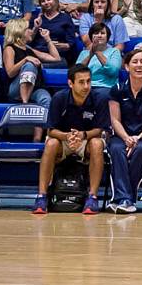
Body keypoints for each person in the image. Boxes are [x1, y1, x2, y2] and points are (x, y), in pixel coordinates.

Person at [31, 64, 107, 215]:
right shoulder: (59, 98)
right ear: (70, 83)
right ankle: (41, 197)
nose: (86, 86)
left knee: (97, 144)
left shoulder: (100, 98)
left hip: (87, 139)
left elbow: (100, 129)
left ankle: (92, 197)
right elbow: (51, 130)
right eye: (81, 82)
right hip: (63, 138)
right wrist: (68, 136)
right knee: (51, 143)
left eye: (88, 81)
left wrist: (82, 135)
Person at [105, 49, 142, 214]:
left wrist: (137, 138)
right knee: (116, 149)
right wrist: (126, 138)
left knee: (141, 150)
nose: (139, 65)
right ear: (126, 66)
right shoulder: (117, 89)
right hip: (122, 135)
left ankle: (123, 198)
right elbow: (115, 120)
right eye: (135, 62)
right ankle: (126, 199)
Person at [3, 17, 57, 110]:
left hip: (35, 88)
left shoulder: (28, 49)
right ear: (19, 32)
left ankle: (44, 124)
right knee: (29, 65)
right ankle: (25, 103)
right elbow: (10, 72)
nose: (31, 31)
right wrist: (25, 60)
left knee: (46, 98)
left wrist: (48, 39)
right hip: (16, 89)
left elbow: (55, 58)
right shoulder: (9, 49)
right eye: (27, 29)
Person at [31, 0, 77, 66]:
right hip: (38, 54)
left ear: (55, 0)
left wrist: (58, 45)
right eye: (43, 1)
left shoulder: (65, 18)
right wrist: (35, 28)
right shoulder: (36, 18)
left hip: (58, 56)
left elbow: (70, 44)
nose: (46, 2)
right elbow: (28, 40)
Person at [77, 22, 123, 100]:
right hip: (85, 87)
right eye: (96, 33)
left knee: (100, 96)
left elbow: (113, 71)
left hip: (106, 87)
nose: (99, 35)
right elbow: (76, 73)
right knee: (61, 95)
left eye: (102, 33)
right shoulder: (84, 53)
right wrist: (90, 55)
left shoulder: (114, 52)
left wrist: (97, 52)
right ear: (91, 37)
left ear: (107, 37)